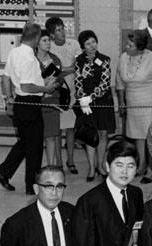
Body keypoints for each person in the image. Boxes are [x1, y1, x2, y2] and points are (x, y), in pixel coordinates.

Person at [0, 21, 58, 195]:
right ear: (36, 38)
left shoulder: (14, 52)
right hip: (30, 104)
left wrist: (9, 101)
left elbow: (5, 79)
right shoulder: (29, 58)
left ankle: (3, 172)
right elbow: (27, 86)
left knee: (25, 142)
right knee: (34, 147)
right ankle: (32, 186)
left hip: (19, 103)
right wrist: (46, 88)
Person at [115, 30, 152, 183]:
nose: (126, 47)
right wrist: (122, 102)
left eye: (130, 45)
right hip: (133, 102)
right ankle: (141, 165)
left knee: (149, 136)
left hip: (150, 103)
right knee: (138, 136)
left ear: (140, 47)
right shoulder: (124, 57)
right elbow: (119, 81)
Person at [74, 30, 116, 181]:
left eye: (93, 42)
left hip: (102, 101)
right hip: (86, 104)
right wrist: (81, 99)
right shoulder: (79, 61)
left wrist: (90, 98)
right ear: (82, 46)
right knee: (90, 134)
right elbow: (78, 82)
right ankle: (91, 168)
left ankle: (100, 165)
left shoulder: (104, 60)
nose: (92, 46)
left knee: (103, 134)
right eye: (88, 43)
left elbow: (105, 83)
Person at [48, 17, 82, 175]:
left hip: (73, 90)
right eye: (59, 30)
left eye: (63, 28)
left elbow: (80, 65)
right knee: (56, 130)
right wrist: (68, 69)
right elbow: (53, 71)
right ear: (52, 34)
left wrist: (65, 69)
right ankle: (59, 162)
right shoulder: (49, 47)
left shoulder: (74, 44)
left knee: (71, 128)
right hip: (57, 91)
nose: (63, 32)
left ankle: (71, 160)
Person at [36, 29, 64, 166]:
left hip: (52, 100)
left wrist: (55, 84)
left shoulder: (55, 59)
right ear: (37, 42)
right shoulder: (31, 59)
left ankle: (51, 166)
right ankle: (37, 166)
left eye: (49, 41)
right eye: (44, 41)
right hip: (36, 101)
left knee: (52, 136)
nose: (48, 43)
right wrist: (43, 85)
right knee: (36, 137)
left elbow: (60, 79)